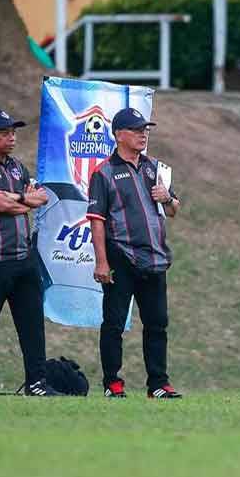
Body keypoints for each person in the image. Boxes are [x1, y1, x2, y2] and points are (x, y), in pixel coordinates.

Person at [86, 108, 183, 399]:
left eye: (146, 130)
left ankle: (158, 384)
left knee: (157, 324)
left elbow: (173, 209)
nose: (144, 134)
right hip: (121, 258)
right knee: (114, 324)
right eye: (137, 129)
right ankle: (112, 383)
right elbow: (96, 220)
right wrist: (102, 261)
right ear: (118, 134)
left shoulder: (155, 167)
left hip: (155, 258)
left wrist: (168, 198)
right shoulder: (103, 172)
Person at [0, 108, 61, 397]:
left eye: (13, 132)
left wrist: (18, 198)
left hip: (24, 258)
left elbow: (41, 196)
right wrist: (22, 201)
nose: (12, 138)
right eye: (5, 133)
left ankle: (37, 384)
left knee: (32, 323)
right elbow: (0, 205)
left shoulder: (17, 167)